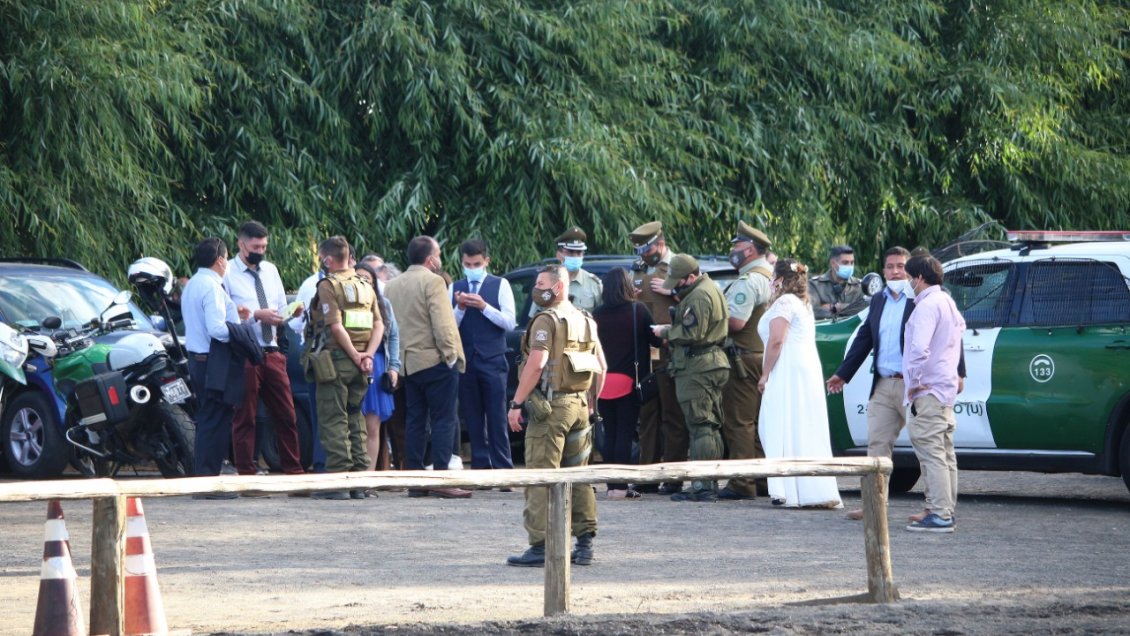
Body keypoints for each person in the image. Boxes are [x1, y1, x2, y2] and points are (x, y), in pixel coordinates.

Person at [506, 265, 606, 566]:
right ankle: (585, 545)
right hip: (579, 407)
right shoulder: (585, 319)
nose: (536, 289)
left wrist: (516, 402)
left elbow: (537, 363)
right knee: (579, 476)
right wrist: (591, 404)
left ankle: (540, 546)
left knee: (540, 476)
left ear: (558, 287)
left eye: (540, 283)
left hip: (550, 409)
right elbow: (601, 366)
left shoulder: (546, 320)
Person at [383, 236, 472, 499]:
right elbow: (443, 323)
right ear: (430, 259)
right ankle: (442, 479)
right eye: (439, 254)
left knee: (415, 421)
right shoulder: (433, 281)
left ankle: (415, 480)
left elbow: (390, 326)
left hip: (407, 364)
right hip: (435, 360)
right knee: (444, 420)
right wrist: (451, 355)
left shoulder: (392, 285)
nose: (441, 259)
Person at [757, 259, 843, 509]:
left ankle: (785, 488)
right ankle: (804, 487)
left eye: (773, 276)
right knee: (802, 423)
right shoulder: (803, 303)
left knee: (778, 423)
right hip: (804, 369)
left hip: (787, 369)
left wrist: (765, 374)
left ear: (780, 279)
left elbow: (776, 341)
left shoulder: (784, 302)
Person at [222, 221, 304, 479]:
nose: (260, 250)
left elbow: (279, 307)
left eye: (264, 246)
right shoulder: (227, 274)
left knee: (287, 414)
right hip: (246, 351)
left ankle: (294, 469)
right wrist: (256, 315)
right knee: (246, 415)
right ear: (241, 244)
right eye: (256, 246)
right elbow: (225, 316)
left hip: (272, 350)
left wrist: (290, 314)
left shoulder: (270, 270)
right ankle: (246, 470)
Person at [304, 236, 384, 500]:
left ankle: (338, 483)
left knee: (333, 420)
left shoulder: (328, 285)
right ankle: (358, 482)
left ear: (327, 260)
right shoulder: (365, 284)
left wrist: (353, 354)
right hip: (362, 365)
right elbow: (379, 325)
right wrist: (367, 356)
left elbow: (335, 326)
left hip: (336, 362)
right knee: (356, 420)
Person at [652, 254, 730, 503]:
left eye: (678, 281)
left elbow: (692, 332)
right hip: (710, 363)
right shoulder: (710, 289)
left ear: (691, 277)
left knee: (701, 426)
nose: (675, 286)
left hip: (698, 365)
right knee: (709, 426)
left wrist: (665, 331)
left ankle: (702, 484)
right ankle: (708, 480)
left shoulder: (698, 295)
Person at [181, 237, 251, 496]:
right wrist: (240, 332)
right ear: (221, 260)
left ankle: (205, 477)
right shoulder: (211, 286)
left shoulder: (194, 284)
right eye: (227, 257)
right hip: (212, 360)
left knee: (209, 418)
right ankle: (209, 481)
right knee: (216, 420)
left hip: (199, 359)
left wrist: (234, 314)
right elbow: (217, 329)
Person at [903, 254, 965, 533]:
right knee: (945, 453)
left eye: (907, 277)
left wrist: (914, 383)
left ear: (917, 278)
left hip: (927, 389)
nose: (906, 283)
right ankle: (943, 508)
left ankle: (940, 514)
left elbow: (919, 349)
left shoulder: (927, 306)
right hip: (944, 389)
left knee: (932, 454)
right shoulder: (948, 302)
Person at [627, 221, 687, 495]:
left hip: (672, 351)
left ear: (660, 244)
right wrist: (632, 298)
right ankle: (647, 474)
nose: (643, 255)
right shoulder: (638, 268)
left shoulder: (680, 266)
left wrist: (673, 290)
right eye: (639, 250)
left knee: (673, 416)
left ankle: (673, 476)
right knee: (647, 415)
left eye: (647, 248)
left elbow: (701, 301)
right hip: (645, 354)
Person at [717, 221, 774, 501]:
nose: (734, 251)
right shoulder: (771, 276)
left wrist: (712, 319)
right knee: (757, 422)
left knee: (739, 422)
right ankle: (761, 479)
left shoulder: (748, 282)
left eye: (737, 246)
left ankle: (742, 481)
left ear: (750, 250)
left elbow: (736, 322)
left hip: (744, 357)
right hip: (763, 357)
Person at [592, 267, 660, 499]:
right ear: (627, 287)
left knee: (609, 433)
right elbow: (656, 340)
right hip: (629, 382)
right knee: (625, 433)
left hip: (603, 382)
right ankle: (621, 487)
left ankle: (612, 486)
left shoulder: (596, 314)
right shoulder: (637, 310)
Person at [451, 238, 516, 474]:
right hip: (467, 361)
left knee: (497, 416)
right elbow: (450, 326)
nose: (472, 268)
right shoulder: (455, 287)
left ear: (486, 261)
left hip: (494, 360)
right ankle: (480, 467)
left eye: (476, 263)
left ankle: (503, 468)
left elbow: (509, 322)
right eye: (468, 264)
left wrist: (484, 306)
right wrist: (460, 308)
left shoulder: (501, 285)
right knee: (473, 416)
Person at [355, 262, 400, 477]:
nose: (363, 283)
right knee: (355, 428)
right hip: (352, 365)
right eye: (359, 278)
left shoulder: (384, 305)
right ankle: (354, 475)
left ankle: (369, 477)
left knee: (373, 427)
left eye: (368, 279)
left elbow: (393, 337)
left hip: (378, 365)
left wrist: (394, 367)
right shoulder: (345, 305)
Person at [530, 226, 602, 315]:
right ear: (558, 255)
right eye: (570, 252)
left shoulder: (593, 284)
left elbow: (601, 319)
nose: (575, 256)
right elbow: (534, 319)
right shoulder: (545, 282)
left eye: (579, 252)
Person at [809, 245, 864, 319]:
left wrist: (835, 307)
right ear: (833, 264)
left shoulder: (860, 286)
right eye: (845, 263)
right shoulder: (815, 285)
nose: (849, 266)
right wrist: (849, 309)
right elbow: (812, 311)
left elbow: (865, 309)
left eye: (852, 263)